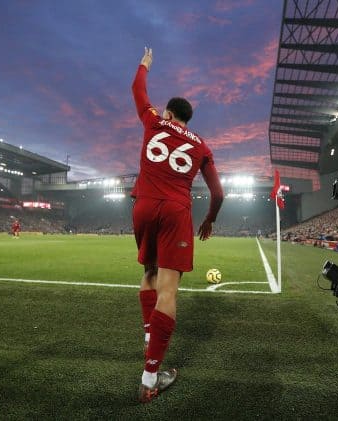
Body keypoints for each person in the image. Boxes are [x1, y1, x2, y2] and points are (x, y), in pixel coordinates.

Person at [132, 47, 224, 403]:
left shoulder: (154, 122)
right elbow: (218, 192)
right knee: (168, 289)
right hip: (175, 210)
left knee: (149, 271)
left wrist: (144, 65)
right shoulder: (201, 144)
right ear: (188, 118)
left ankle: (147, 335)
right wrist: (209, 220)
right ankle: (150, 378)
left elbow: (138, 92)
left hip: (142, 206)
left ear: (169, 113)